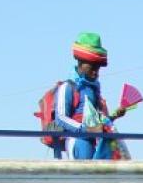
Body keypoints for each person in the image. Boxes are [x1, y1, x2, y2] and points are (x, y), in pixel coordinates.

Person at [49, 32, 115, 161]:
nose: (96, 72)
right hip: (79, 141)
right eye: (92, 67)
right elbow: (61, 118)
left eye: (98, 68)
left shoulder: (93, 90)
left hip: (95, 141)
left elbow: (98, 119)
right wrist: (87, 130)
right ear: (80, 63)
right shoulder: (67, 87)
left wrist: (114, 117)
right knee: (84, 177)